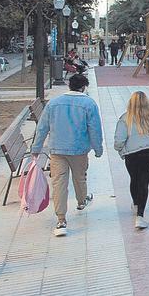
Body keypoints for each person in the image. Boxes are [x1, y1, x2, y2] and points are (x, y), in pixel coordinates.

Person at [31, 73, 103, 237]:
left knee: (59, 183)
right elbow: (95, 129)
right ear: (84, 87)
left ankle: (61, 220)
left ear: (69, 86)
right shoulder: (89, 104)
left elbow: (42, 127)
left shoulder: (54, 103)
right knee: (80, 177)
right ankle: (81, 201)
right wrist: (98, 148)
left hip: (57, 150)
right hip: (79, 149)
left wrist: (36, 148)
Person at [113, 91, 149, 229]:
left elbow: (119, 140)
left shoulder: (125, 119)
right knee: (144, 183)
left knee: (134, 180)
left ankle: (136, 204)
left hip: (131, 155)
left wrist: (119, 149)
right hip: (148, 153)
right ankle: (140, 216)